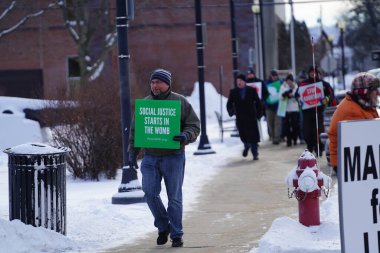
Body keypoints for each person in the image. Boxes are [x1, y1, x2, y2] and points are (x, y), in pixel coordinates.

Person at [128, 68, 200, 247]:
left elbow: (194, 125)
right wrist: (132, 152)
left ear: (167, 83)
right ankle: (163, 226)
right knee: (150, 194)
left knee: (174, 197)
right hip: (150, 157)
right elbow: (136, 130)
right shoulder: (145, 104)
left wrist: (186, 135)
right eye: (152, 82)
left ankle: (176, 234)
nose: (155, 85)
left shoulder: (180, 102)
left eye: (158, 82)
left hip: (174, 156)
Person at [328, 72, 379, 173]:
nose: (378, 93)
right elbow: (363, 144)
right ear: (364, 91)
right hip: (351, 167)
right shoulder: (352, 112)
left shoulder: (361, 105)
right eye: (374, 90)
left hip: (356, 164)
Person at [296, 66, 336, 156]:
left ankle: (319, 148)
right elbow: (297, 95)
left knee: (318, 131)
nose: (312, 74)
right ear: (308, 73)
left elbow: (331, 94)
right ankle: (309, 147)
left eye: (314, 72)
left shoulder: (323, 84)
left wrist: (326, 99)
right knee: (307, 132)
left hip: (318, 111)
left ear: (317, 73)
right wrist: (300, 101)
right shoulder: (303, 84)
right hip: (307, 112)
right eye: (311, 72)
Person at [227, 74, 262, 160]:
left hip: (251, 117)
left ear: (244, 81)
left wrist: (259, 113)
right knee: (243, 135)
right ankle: (246, 146)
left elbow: (258, 102)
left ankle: (255, 153)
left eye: (240, 81)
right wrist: (231, 111)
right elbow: (229, 104)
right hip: (240, 117)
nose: (239, 82)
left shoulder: (252, 90)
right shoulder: (233, 92)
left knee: (253, 135)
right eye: (237, 81)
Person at [279, 73, 300, 147]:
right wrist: (286, 94)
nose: (289, 82)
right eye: (288, 80)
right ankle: (289, 141)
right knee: (286, 126)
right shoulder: (283, 86)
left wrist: (293, 95)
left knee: (295, 125)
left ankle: (294, 138)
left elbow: (298, 95)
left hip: (294, 109)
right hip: (286, 109)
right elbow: (280, 97)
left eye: (290, 80)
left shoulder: (296, 86)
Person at [264, 69, 282, 144]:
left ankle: (276, 138)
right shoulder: (266, 84)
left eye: (275, 76)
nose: (274, 77)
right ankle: (272, 136)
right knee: (270, 123)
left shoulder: (281, 83)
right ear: (270, 76)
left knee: (277, 123)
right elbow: (263, 95)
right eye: (273, 76)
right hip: (269, 106)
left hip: (279, 106)